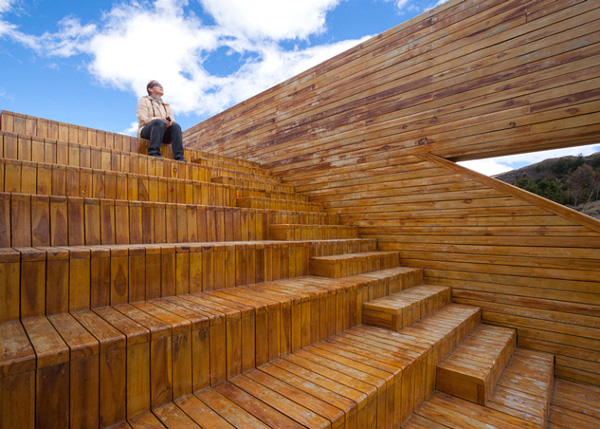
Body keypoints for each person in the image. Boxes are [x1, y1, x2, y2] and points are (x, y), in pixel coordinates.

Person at [136, 80, 187, 161]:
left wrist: (169, 123)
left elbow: (172, 120)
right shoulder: (143, 100)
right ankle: (153, 153)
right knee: (159, 122)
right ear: (150, 89)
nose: (161, 87)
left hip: (163, 133)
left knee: (176, 126)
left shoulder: (166, 106)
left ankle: (179, 157)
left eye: (161, 85)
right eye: (157, 85)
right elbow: (142, 117)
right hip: (146, 131)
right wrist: (159, 120)